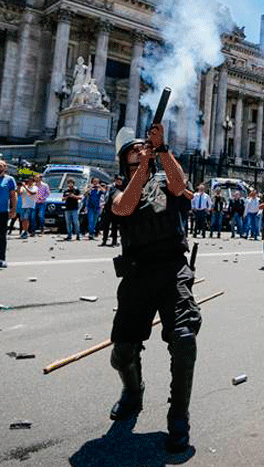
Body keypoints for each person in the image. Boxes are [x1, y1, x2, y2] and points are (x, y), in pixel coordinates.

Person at [108, 122, 200, 454]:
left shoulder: (164, 181)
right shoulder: (117, 189)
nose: (140, 162)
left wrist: (161, 151)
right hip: (137, 273)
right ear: (124, 166)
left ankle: (179, 417)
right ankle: (133, 391)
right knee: (123, 351)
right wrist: (141, 171)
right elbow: (124, 208)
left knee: (185, 338)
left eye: (142, 156)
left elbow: (180, 184)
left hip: (173, 269)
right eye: (133, 161)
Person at [101, 175, 124, 246]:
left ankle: (114, 241)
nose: (118, 181)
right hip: (108, 209)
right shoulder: (111, 188)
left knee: (114, 227)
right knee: (106, 226)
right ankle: (104, 241)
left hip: (116, 210)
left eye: (120, 180)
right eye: (117, 180)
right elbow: (107, 196)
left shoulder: (124, 188)